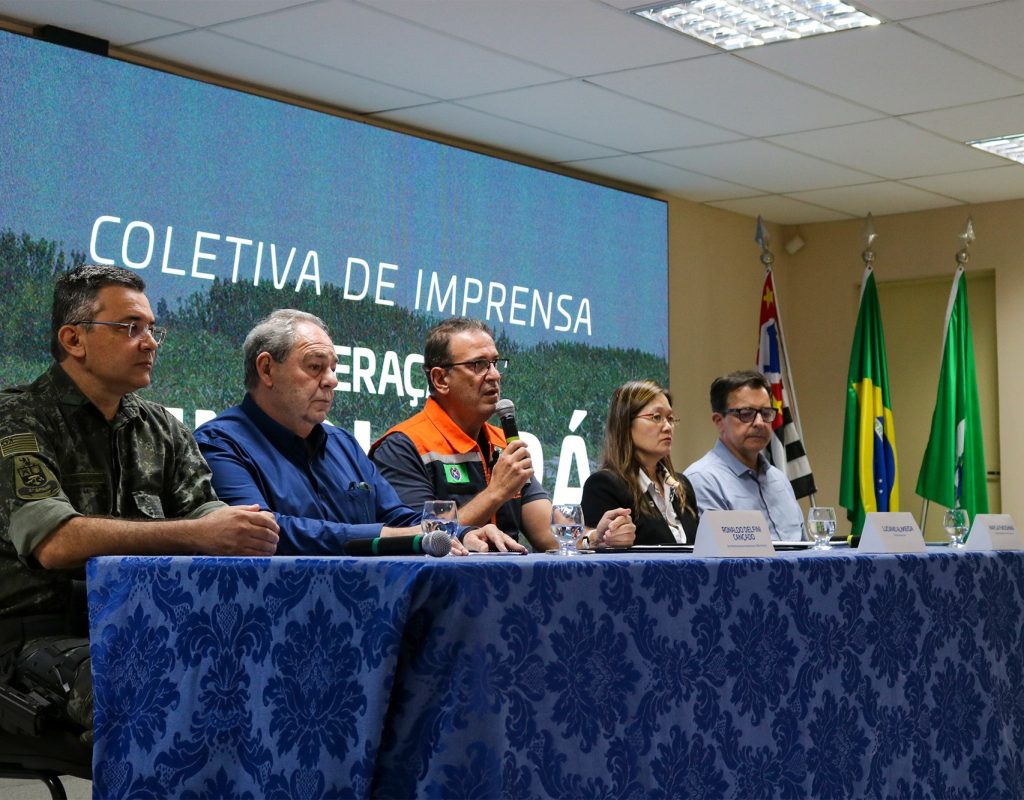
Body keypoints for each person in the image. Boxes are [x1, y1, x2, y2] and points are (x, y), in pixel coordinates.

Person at [0, 264, 280, 750]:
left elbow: (202, 509)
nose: (150, 342)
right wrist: (199, 534)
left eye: (153, 329)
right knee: (162, 690)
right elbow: (55, 541)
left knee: (268, 672)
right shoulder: (16, 418)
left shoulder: (159, 426)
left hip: (141, 623)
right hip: (31, 644)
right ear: (73, 339)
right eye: (131, 328)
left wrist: (236, 525)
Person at [194, 309, 523, 556]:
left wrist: (461, 533)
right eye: (315, 366)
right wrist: (390, 535)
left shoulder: (343, 444)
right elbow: (264, 532)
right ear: (267, 369)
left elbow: (398, 515)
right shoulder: (220, 443)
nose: (332, 380)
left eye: (334, 368)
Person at [369, 317, 634, 551]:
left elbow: (547, 534)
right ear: (440, 379)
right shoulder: (403, 446)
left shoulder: (501, 443)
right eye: (478, 365)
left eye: (495, 363)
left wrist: (595, 538)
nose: (494, 375)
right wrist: (496, 492)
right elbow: (420, 539)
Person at [683, 370, 803, 541]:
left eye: (766, 413)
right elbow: (720, 562)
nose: (760, 423)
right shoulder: (703, 480)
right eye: (746, 414)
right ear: (719, 421)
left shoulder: (780, 480)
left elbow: (806, 547)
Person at [581, 380, 699, 546]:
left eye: (670, 418)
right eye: (656, 417)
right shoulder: (604, 486)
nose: (667, 427)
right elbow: (586, 546)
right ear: (626, 424)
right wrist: (600, 539)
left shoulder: (682, 486)